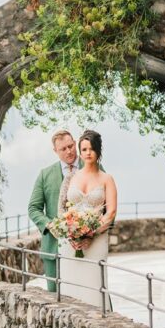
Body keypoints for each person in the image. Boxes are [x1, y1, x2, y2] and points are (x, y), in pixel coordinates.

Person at [56, 130, 117, 309]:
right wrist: (71, 234)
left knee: (94, 286)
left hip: (96, 241)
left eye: (91, 149)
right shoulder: (70, 178)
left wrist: (91, 233)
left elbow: (111, 212)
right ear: (80, 152)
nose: (87, 153)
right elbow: (61, 209)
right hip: (70, 242)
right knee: (71, 287)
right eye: (83, 149)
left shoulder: (107, 179)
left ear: (98, 151)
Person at [28, 130, 79, 292]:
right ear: (55, 151)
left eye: (71, 146)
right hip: (53, 248)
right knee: (56, 300)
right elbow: (33, 208)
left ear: (75, 143)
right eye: (63, 149)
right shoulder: (45, 174)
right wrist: (49, 224)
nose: (69, 151)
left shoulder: (92, 166)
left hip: (86, 247)